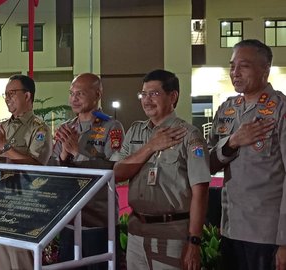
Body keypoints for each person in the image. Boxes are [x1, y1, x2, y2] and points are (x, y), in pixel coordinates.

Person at [111, 69, 210, 270]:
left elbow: (201, 193)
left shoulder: (189, 135)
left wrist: (194, 242)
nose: (147, 100)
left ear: (172, 96)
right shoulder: (135, 131)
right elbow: (118, 174)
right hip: (137, 233)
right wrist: (150, 147)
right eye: (143, 94)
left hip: (173, 237)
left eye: (154, 93)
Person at [208, 39, 286, 270]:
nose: (235, 73)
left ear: (265, 69)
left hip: (266, 234)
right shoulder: (227, 109)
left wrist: (284, 241)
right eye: (232, 66)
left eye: (244, 66)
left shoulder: (280, 109)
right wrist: (232, 142)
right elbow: (207, 165)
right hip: (231, 229)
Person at [0, 74, 53, 269]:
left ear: (27, 96)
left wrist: (4, 146)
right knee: (1, 261)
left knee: (20, 262)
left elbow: (37, 166)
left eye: (12, 93)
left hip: (24, 205)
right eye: (5, 94)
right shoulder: (1, 126)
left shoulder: (39, 128)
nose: (7, 98)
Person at [49, 73, 124, 269]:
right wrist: (64, 155)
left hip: (99, 221)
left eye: (80, 93)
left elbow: (114, 171)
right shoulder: (66, 128)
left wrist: (77, 152)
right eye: (71, 93)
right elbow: (53, 172)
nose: (74, 98)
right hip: (70, 218)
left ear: (97, 94)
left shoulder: (111, 127)